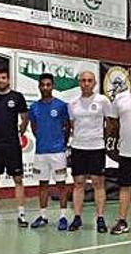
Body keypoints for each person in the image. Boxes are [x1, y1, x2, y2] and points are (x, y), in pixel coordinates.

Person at [67, 71, 113, 232]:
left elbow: (110, 123)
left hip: (96, 148)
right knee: (78, 183)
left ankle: (100, 218)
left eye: (89, 80)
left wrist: (99, 138)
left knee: (98, 183)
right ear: (79, 83)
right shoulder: (72, 103)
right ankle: (77, 218)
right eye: (83, 80)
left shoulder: (103, 100)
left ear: (94, 83)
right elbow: (72, 125)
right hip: (78, 147)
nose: (86, 83)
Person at [0, 68, 29, 226]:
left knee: (18, 179)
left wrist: (18, 132)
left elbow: (24, 118)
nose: (1, 80)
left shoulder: (17, 97)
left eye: (3, 77)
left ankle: (21, 215)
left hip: (12, 144)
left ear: (8, 80)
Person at [27, 73, 72, 230]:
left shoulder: (61, 105)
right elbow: (33, 128)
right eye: (43, 85)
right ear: (39, 86)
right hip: (41, 152)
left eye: (48, 84)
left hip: (58, 152)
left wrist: (62, 144)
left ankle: (63, 217)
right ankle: (43, 216)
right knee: (43, 184)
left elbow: (67, 126)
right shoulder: (34, 107)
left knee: (61, 185)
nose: (45, 87)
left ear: (52, 86)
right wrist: (42, 139)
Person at [109, 87, 131, 235]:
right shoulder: (120, 98)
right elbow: (113, 122)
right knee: (125, 186)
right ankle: (122, 221)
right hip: (126, 151)